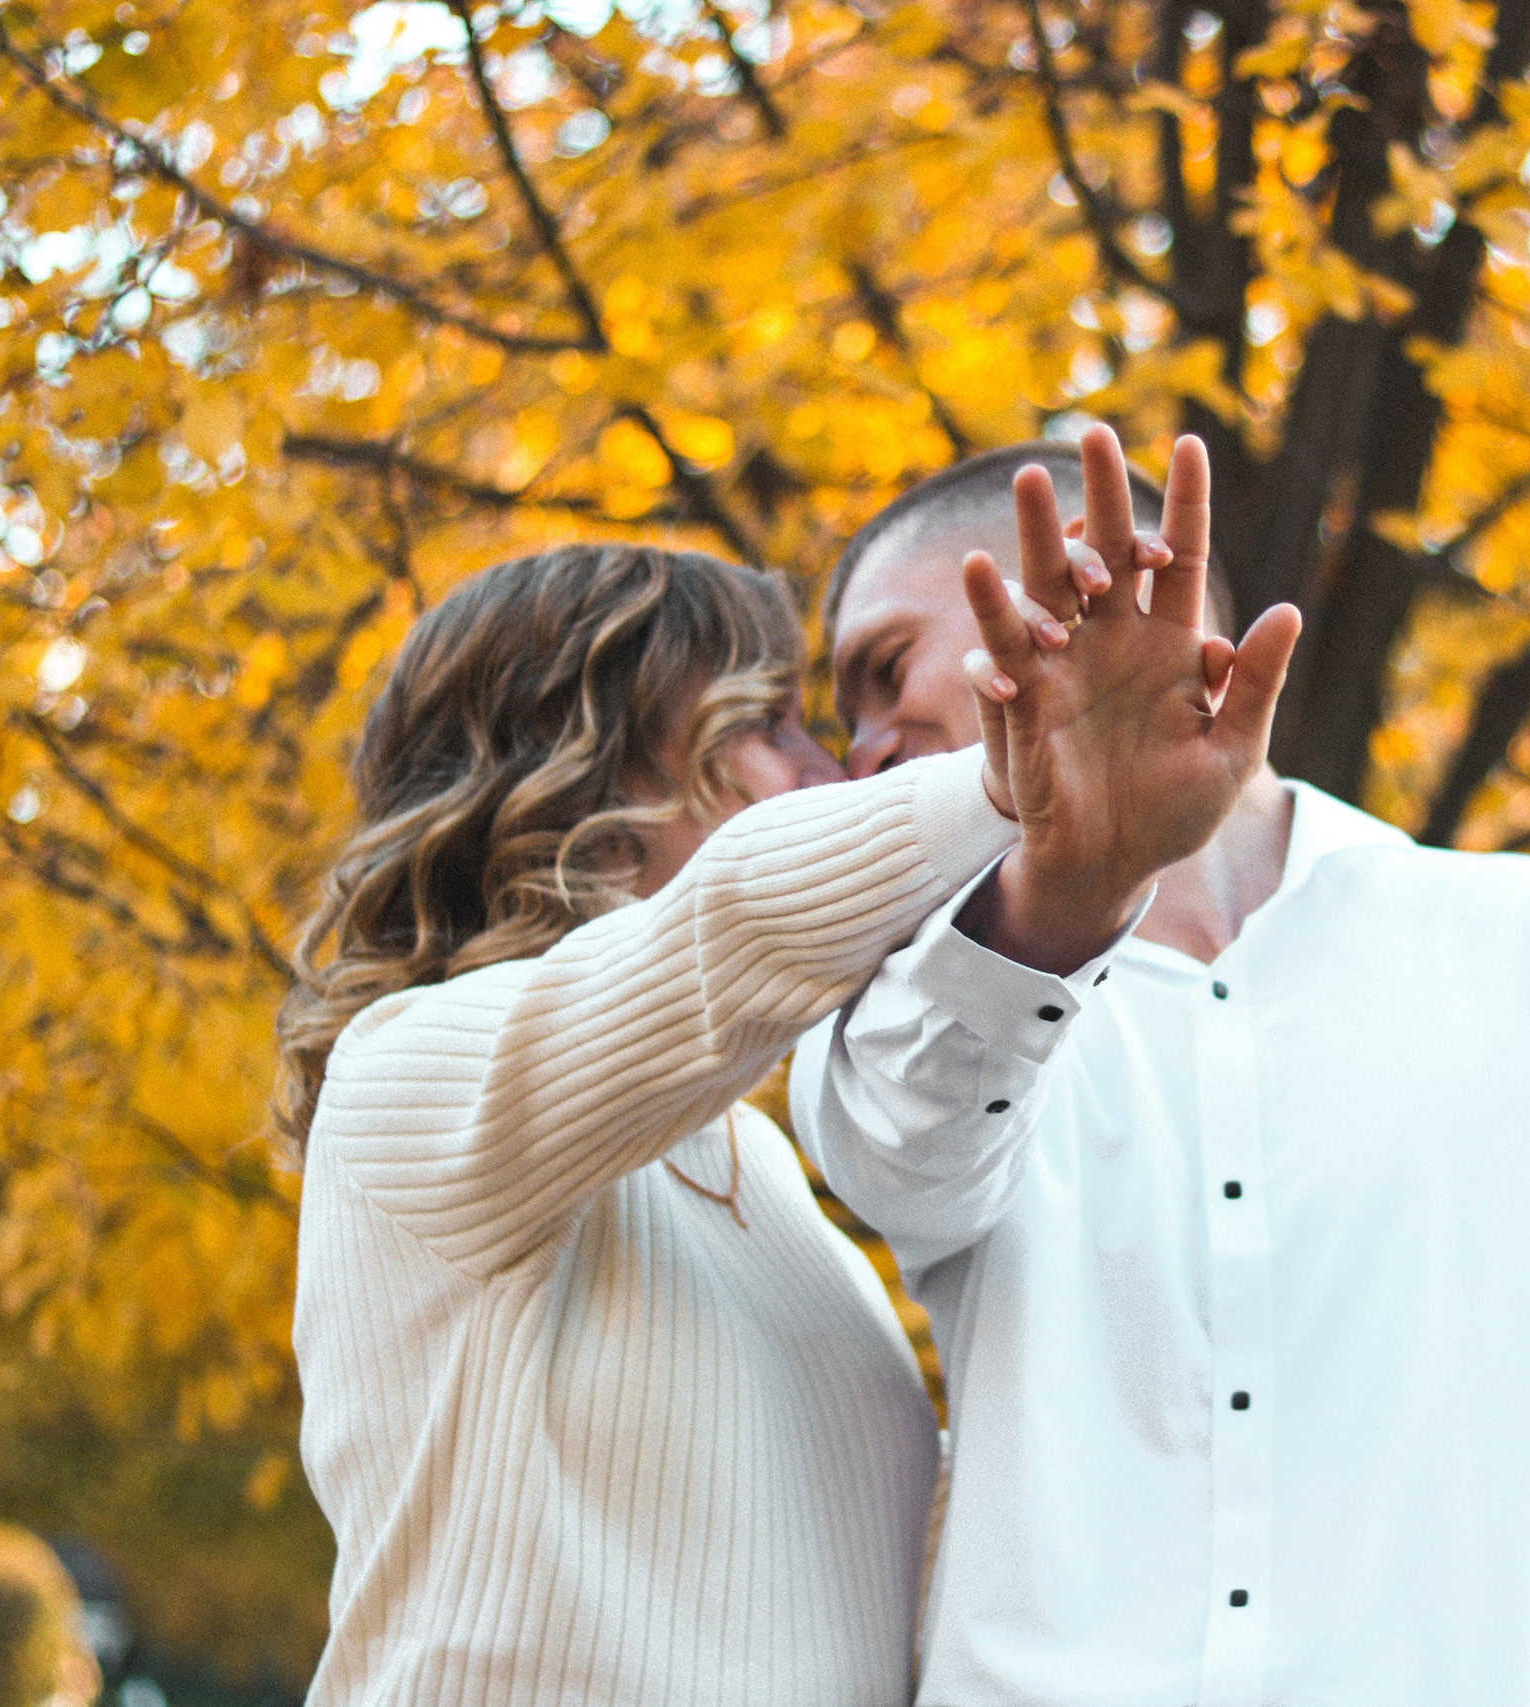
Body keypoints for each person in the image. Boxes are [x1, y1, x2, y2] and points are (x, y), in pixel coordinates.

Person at [798, 425, 1530, 1706]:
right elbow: (906, 1169)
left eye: (882, 670)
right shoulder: (897, 996)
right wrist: (1069, 889)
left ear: (1070, 591)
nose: (856, 746)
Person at [276, 514, 1299, 1705]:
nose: (831, 767)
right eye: (765, 725)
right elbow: (736, 930)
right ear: (588, 767)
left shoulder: (752, 1167)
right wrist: (1017, 778)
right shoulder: (406, 1078)